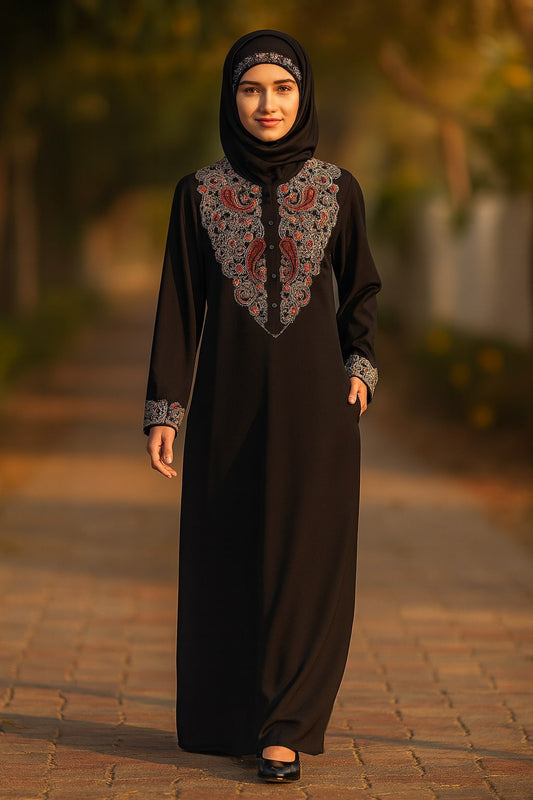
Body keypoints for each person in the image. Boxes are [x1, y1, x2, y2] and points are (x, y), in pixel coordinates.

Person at [144, 29, 380, 784]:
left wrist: (362, 367)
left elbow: (361, 290)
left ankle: (286, 728)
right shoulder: (199, 194)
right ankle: (230, 716)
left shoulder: (338, 190)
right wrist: (164, 409)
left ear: (302, 94)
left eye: (281, 88)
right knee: (230, 554)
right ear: (231, 98)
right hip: (228, 409)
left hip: (317, 412)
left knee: (306, 564)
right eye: (251, 89)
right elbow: (180, 309)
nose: (267, 104)